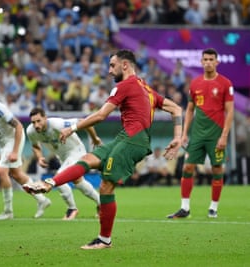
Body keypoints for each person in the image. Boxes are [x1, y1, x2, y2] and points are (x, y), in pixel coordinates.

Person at [23, 49, 182, 249]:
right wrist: (177, 137)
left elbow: (100, 115)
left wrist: (72, 128)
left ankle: (104, 240)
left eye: (112, 65)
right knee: (88, 159)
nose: (109, 71)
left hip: (134, 140)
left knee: (106, 186)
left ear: (125, 65)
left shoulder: (125, 85)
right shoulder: (146, 88)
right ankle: (49, 183)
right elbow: (177, 109)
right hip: (126, 137)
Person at [167, 48, 234, 219]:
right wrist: (184, 134)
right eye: (205, 59)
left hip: (216, 134)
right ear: (201, 62)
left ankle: (213, 208)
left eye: (212, 59)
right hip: (197, 135)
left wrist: (224, 136)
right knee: (187, 167)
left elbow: (230, 112)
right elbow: (189, 110)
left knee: (216, 168)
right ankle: (185, 208)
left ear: (217, 62)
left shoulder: (225, 83)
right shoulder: (195, 84)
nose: (208, 62)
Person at [0, 87, 51, 220]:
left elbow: (18, 126)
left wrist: (14, 151)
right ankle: (42, 200)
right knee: (17, 174)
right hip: (2, 142)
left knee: (2, 172)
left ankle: (8, 211)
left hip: (14, 137)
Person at [26, 107, 102, 220]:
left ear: (45, 118)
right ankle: (101, 204)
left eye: (38, 121)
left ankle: (72, 209)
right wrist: (40, 157)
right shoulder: (31, 131)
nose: (36, 125)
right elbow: (35, 146)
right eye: (33, 122)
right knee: (78, 182)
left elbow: (83, 122)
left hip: (76, 151)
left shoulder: (57, 124)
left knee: (58, 178)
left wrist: (94, 139)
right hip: (63, 156)